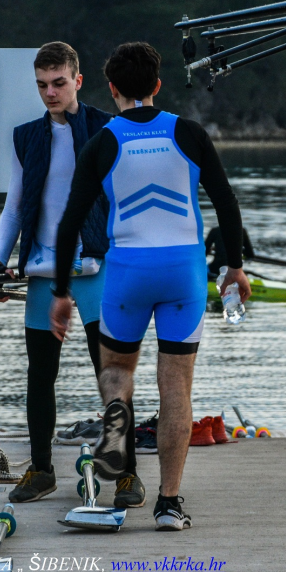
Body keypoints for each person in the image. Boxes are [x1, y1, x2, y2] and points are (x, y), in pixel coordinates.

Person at [50, 42, 251, 531]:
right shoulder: (189, 132)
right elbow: (225, 203)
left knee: (118, 370)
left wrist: (60, 290)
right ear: (158, 86)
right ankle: (170, 502)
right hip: (183, 270)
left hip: (127, 270)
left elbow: (71, 220)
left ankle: (117, 415)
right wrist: (233, 267)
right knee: (176, 386)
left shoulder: (101, 142)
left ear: (112, 89)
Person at [0, 42, 141, 505]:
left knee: (110, 373)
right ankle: (40, 470)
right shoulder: (26, 137)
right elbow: (15, 206)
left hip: (97, 265)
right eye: (42, 85)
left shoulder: (107, 128)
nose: (50, 93)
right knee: (41, 374)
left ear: (77, 80)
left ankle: (126, 475)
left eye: (58, 83)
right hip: (42, 266)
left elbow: (126, 201)